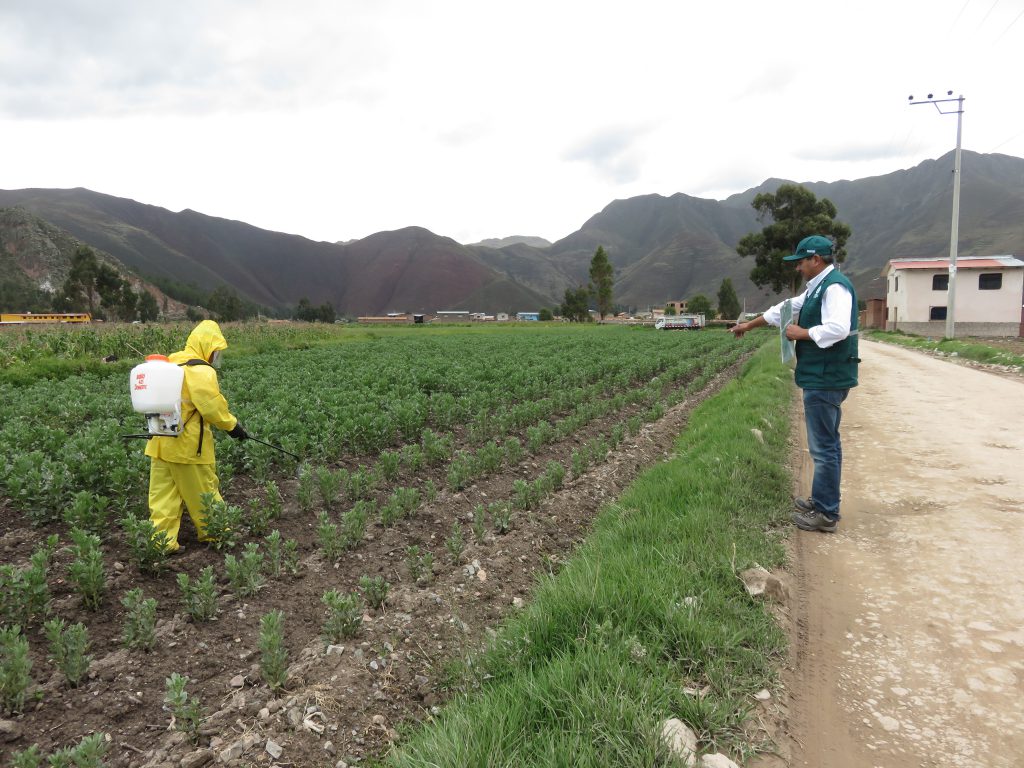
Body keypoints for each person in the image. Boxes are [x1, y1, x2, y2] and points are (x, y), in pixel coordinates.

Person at [730, 235, 859, 533]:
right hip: (824, 375)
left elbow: (838, 329)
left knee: (823, 447)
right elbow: (783, 309)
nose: (798, 268)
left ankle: (826, 514)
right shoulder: (817, 289)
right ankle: (823, 500)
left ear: (816, 259)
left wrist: (799, 333)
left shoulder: (835, 287)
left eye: (801, 262)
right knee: (828, 444)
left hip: (826, 377)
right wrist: (749, 325)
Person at [145, 320, 248, 552]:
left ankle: (161, 543)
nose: (215, 357)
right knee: (204, 493)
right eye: (215, 351)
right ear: (207, 346)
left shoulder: (171, 362)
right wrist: (233, 427)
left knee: (163, 498)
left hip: (160, 442)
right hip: (187, 447)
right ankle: (217, 533)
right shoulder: (199, 370)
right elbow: (211, 407)